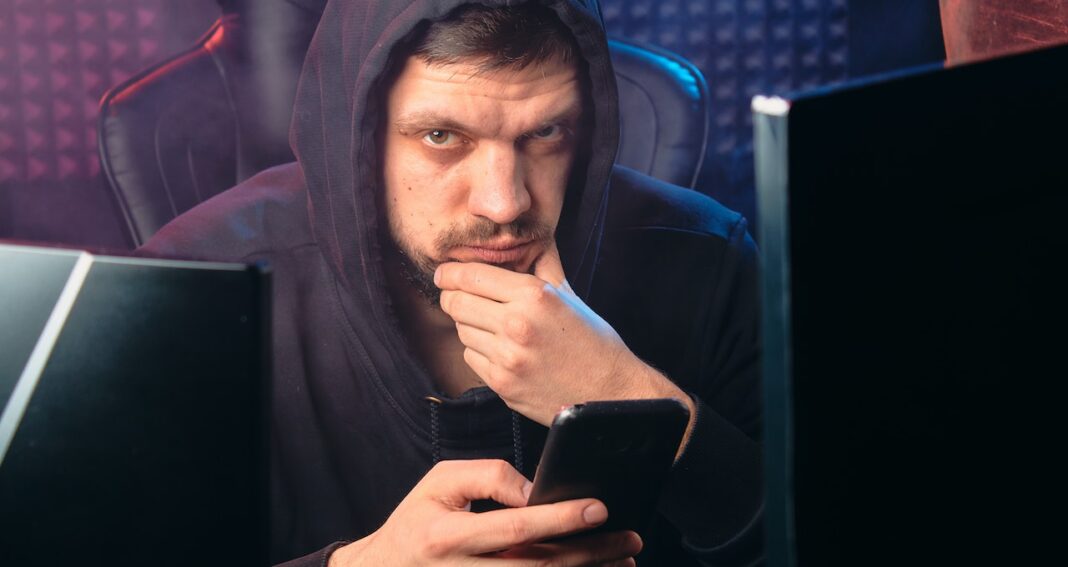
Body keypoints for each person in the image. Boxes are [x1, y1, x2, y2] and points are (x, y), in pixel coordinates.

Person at [141, 1, 763, 565]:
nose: (503, 202)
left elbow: (836, 539)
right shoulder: (190, 293)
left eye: (545, 133)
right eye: (441, 137)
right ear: (354, 140)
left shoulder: (707, 263)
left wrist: (628, 395)